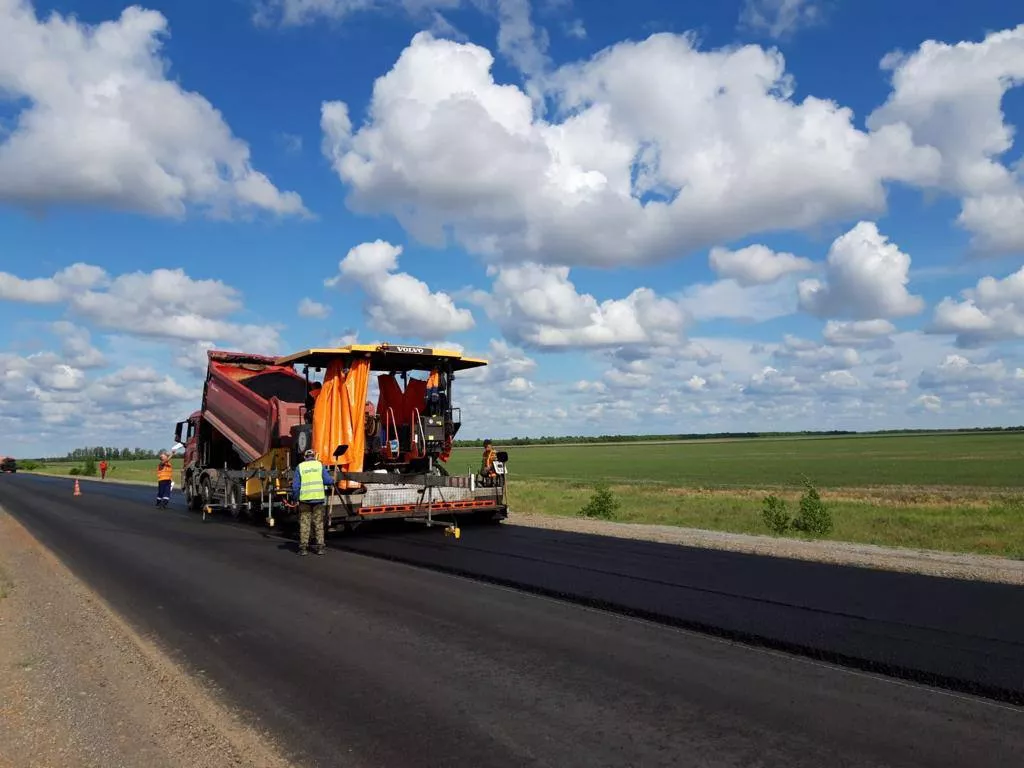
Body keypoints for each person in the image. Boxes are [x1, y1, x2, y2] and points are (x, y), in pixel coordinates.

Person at [290, 449, 334, 556]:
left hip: (304, 501)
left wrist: (295, 499)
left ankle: (304, 548)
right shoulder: (319, 466)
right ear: (314, 456)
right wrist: (333, 480)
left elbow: (295, 486)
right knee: (318, 523)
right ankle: (320, 548)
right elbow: (328, 481)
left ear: (305, 457)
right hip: (318, 500)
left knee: (305, 524)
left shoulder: (300, 467)